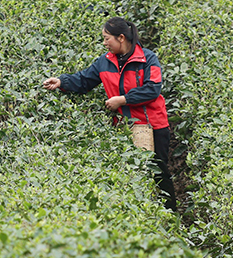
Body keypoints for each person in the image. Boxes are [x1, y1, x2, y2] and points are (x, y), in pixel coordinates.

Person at [43, 18, 176, 210]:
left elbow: (152, 89)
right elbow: (84, 80)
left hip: (154, 125)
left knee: (158, 171)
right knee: (132, 174)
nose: (105, 43)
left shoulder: (148, 59)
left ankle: (170, 214)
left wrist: (122, 100)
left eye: (107, 39)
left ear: (121, 38)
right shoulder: (104, 62)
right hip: (124, 127)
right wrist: (61, 82)